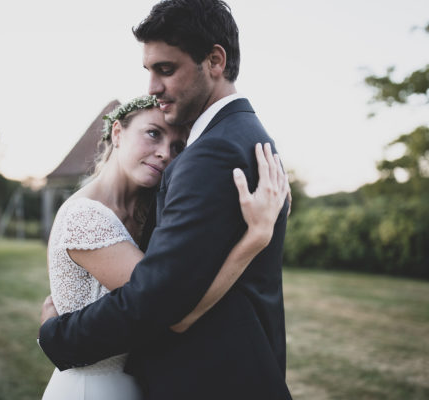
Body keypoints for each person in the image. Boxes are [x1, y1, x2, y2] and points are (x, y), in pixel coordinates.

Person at [39, 0, 293, 398]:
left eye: (166, 69)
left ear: (214, 60)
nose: (153, 88)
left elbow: (157, 303)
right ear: (118, 134)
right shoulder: (247, 137)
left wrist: (56, 335)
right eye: (149, 71)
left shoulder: (212, 154)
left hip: (211, 381)